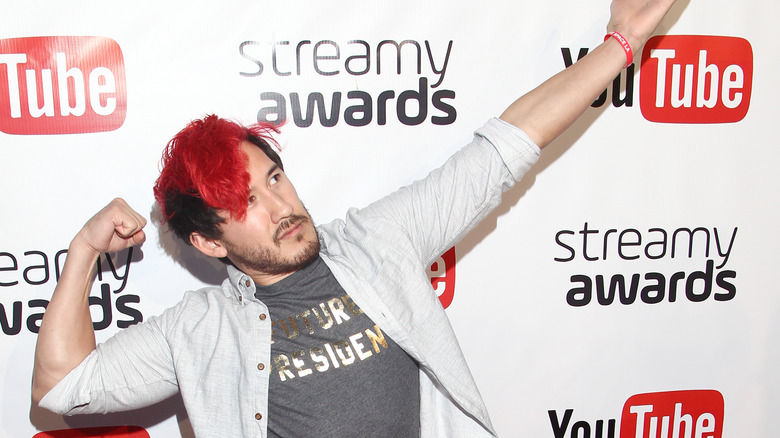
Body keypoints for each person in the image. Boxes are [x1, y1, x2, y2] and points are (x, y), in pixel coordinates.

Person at [32, 1, 679, 436]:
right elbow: (63, 389)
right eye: (246, 204)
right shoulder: (200, 330)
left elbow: (502, 149)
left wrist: (622, 44)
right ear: (207, 240)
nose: (282, 207)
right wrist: (85, 249)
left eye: (275, 179)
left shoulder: (378, 242)